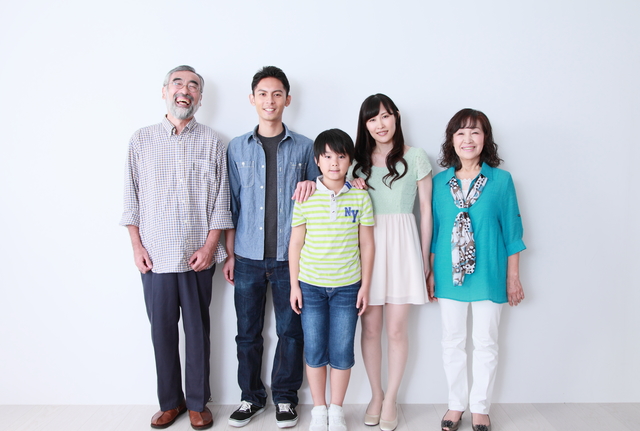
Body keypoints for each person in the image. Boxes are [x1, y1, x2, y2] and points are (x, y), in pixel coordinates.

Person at [120, 65, 233, 430]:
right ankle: (171, 402)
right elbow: (131, 198)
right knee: (162, 332)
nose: (185, 90)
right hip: (154, 256)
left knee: (198, 332)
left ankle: (198, 403)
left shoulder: (214, 141)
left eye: (193, 86)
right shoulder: (141, 140)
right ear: (164, 91)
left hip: (198, 256)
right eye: (178, 84)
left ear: (200, 97)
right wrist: (136, 246)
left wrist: (211, 245)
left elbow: (222, 201)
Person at [224, 66, 319, 428]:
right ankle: (250, 397)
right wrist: (230, 254)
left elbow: (320, 197)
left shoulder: (306, 147)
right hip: (247, 256)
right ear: (252, 99)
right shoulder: (237, 147)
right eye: (263, 94)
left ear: (287, 100)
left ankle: (285, 398)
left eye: (277, 94)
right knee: (247, 334)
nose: (270, 100)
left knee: (291, 332)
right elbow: (231, 204)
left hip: (290, 258)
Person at [427, 108, 526, 431]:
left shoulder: (501, 181)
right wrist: (430, 272)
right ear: (451, 140)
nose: (467, 139)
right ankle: (456, 405)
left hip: (490, 273)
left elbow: (512, 233)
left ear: (486, 138)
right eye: (460, 133)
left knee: (486, 342)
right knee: (451, 341)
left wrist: (513, 277)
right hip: (448, 274)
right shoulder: (439, 183)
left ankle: (480, 407)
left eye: (475, 132)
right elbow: (436, 233)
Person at [351, 94, 433, 431]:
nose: (380, 124)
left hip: (403, 247)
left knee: (397, 329)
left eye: (385, 116)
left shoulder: (416, 157)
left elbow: (426, 211)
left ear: (396, 117)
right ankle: (376, 394)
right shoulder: (356, 163)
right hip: (367, 248)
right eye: (372, 119)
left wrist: (425, 259)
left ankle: (391, 398)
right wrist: (350, 183)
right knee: (370, 328)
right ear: (365, 125)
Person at [289, 129, 375, 431]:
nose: (334, 163)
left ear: (350, 160)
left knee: (341, 351)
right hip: (310, 286)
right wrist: (294, 286)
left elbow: (367, 244)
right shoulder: (306, 196)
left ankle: (336, 409)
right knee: (314, 349)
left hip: (348, 288)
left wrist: (365, 286)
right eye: (327, 156)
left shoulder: (360, 196)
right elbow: (295, 243)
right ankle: (319, 409)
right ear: (317, 160)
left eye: (341, 156)